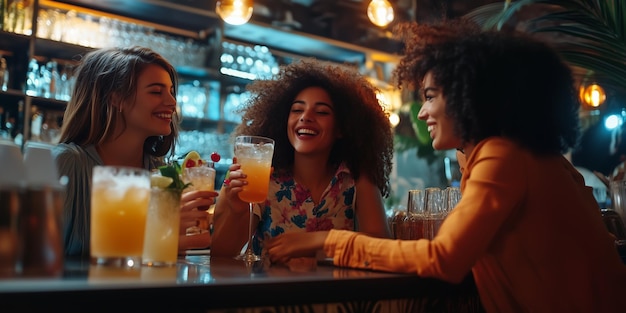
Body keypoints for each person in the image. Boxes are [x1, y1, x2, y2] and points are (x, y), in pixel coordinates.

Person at [264, 20, 626, 312]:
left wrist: (327, 240)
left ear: (470, 94)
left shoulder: (502, 155)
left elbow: (444, 259)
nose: (422, 113)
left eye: (431, 97)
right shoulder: (518, 153)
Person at [211, 59, 393, 258]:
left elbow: (381, 248)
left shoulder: (356, 177)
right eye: (297, 110)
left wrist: (314, 242)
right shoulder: (265, 176)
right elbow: (221, 256)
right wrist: (236, 210)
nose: (305, 117)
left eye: (322, 112)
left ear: (342, 128)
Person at [52, 46, 215, 257]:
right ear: (116, 98)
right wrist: (159, 233)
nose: (172, 102)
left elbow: (171, 257)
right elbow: (38, 259)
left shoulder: (161, 172)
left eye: (171, 92)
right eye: (156, 91)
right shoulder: (69, 163)